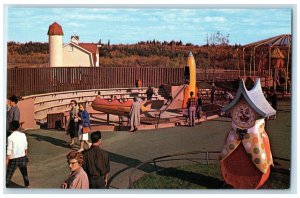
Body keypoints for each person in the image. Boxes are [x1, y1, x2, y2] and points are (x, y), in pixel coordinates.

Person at [6, 121, 30, 188]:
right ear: (18, 127)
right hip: (22, 157)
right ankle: (27, 186)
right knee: (24, 173)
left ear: (11, 128)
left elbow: (9, 151)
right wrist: (25, 155)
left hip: (13, 159)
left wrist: (6, 162)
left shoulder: (10, 137)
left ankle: (5, 188)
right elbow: (26, 146)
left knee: (8, 175)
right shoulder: (23, 135)